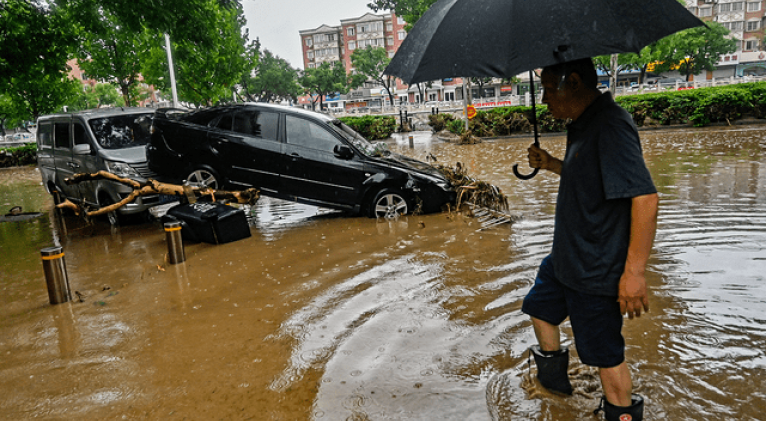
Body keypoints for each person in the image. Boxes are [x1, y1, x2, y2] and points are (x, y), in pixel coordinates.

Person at [521, 58, 659, 421]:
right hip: (565, 258)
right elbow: (590, 177)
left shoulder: (610, 126)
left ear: (575, 82)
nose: (545, 99)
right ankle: (555, 396)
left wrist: (634, 273)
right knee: (539, 308)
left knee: (605, 357)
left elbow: (644, 197)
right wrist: (551, 163)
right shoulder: (581, 125)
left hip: (595, 268)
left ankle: (621, 412)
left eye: (550, 89)